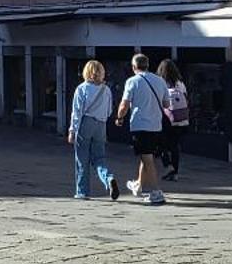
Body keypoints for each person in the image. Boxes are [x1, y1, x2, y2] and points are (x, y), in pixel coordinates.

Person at [115, 53, 170, 204]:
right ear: (148, 65)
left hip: (140, 125)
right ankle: (138, 185)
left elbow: (124, 104)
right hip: (156, 126)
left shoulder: (132, 81)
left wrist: (119, 118)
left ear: (134, 67)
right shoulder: (160, 80)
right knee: (147, 156)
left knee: (147, 159)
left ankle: (155, 192)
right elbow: (166, 104)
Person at [68, 60, 120, 201]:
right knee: (99, 158)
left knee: (82, 159)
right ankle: (108, 179)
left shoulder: (82, 88)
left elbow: (76, 112)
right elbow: (109, 111)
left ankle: (82, 192)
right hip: (101, 125)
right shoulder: (106, 90)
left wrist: (72, 130)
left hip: (86, 123)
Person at [156, 58, 189, 182]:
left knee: (161, 143)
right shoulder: (180, 83)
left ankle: (168, 165)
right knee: (175, 146)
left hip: (166, 119)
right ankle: (175, 173)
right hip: (180, 119)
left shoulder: (160, 83)